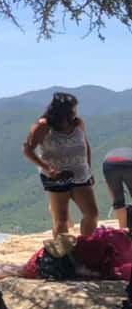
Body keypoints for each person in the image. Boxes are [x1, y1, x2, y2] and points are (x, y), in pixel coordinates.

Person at [22, 92, 99, 237]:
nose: (75, 112)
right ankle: (63, 254)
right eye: (72, 108)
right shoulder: (43, 126)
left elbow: (85, 145)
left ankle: (86, 246)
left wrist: (88, 168)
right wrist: (47, 168)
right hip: (56, 176)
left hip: (81, 174)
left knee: (91, 214)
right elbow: (27, 149)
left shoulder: (77, 123)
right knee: (61, 220)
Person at [102, 148, 132, 229]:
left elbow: (109, 186)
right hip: (129, 164)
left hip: (109, 164)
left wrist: (116, 199)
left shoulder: (117, 152)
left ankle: (123, 233)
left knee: (119, 202)